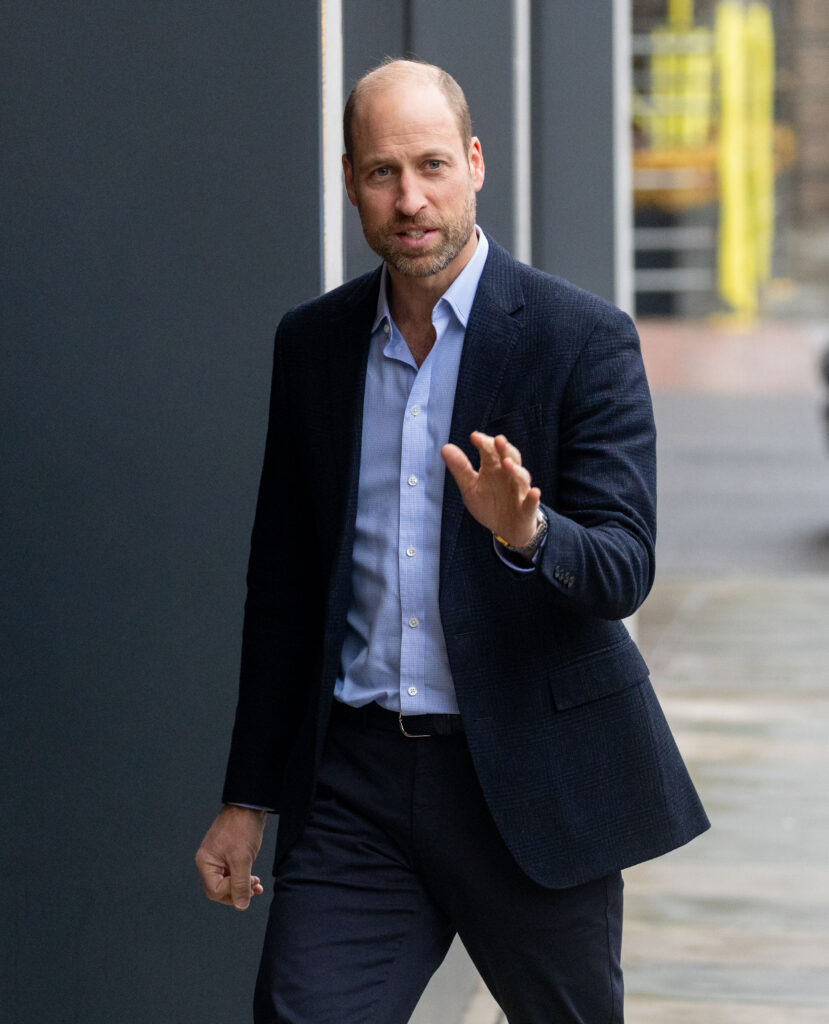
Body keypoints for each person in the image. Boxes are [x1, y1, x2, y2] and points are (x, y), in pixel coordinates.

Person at [195, 58, 709, 1023]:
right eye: (382, 173)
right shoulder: (312, 346)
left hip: (529, 779)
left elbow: (624, 565)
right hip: (358, 788)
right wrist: (247, 796)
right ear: (350, 181)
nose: (410, 200)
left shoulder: (579, 338)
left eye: (431, 166)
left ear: (474, 163)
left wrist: (530, 533)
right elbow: (286, 587)